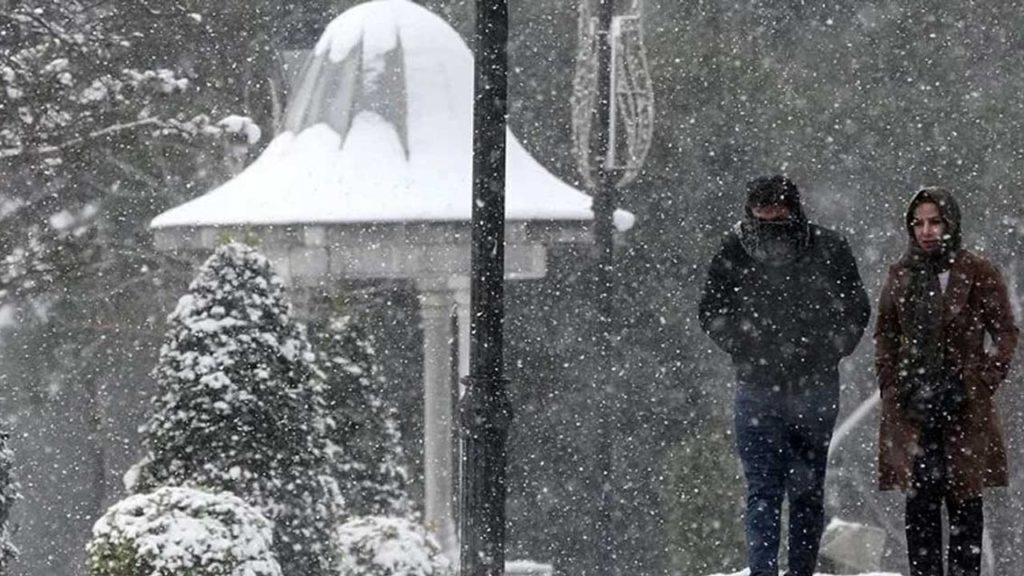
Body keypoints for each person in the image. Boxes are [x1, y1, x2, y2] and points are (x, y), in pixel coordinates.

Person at [699, 175, 870, 576]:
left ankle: (796, 570)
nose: (770, 227)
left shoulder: (827, 248)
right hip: (764, 386)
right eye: (764, 217)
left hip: (806, 386)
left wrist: (825, 350)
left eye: (777, 217)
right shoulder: (737, 248)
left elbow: (854, 309)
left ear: (793, 210)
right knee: (772, 492)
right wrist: (748, 345)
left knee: (795, 493)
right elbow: (711, 309)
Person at [875, 187, 1018, 576]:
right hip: (914, 408)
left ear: (950, 224)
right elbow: (885, 334)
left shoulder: (978, 271)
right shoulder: (901, 274)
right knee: (920, 511)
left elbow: (1005, 332)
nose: (926, 231)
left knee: (965, 509)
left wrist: (982, 381)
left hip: (963, 407)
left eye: (935, 221)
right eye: (918, 223)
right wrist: (895, 386)